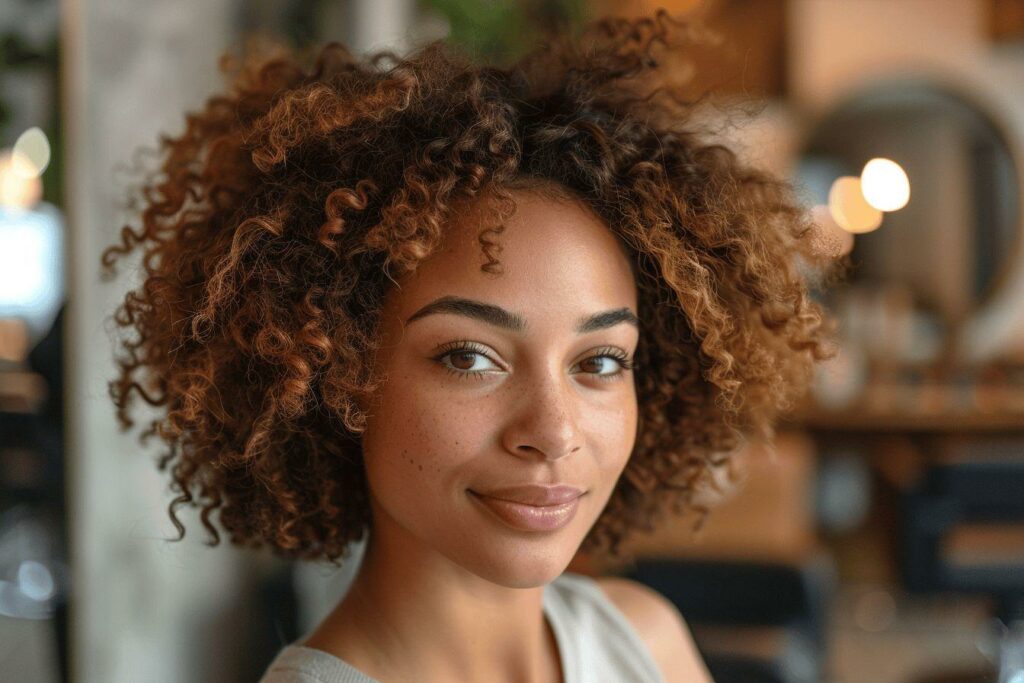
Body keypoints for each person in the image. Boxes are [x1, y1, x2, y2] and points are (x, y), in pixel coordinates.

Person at [101, 11, 833, 683]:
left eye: (600, 361)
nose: (552, 431)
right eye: (469, 357)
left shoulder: (644, 641)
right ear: (336, 375)